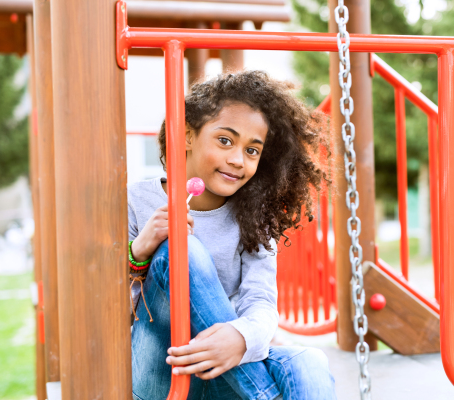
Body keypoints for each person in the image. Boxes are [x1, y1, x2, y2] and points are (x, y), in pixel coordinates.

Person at [128, 71, 337, 400]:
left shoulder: (254, 218)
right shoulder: (135, 201)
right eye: (225, 140)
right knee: (182, 250)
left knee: (308, 360)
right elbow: (109, 313)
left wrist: (240, 338)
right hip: (161, 372)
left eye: (252, 151)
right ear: (186, 135)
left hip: (226, 373)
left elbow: (262, 306)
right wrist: (139, 252)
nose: (237, 160)